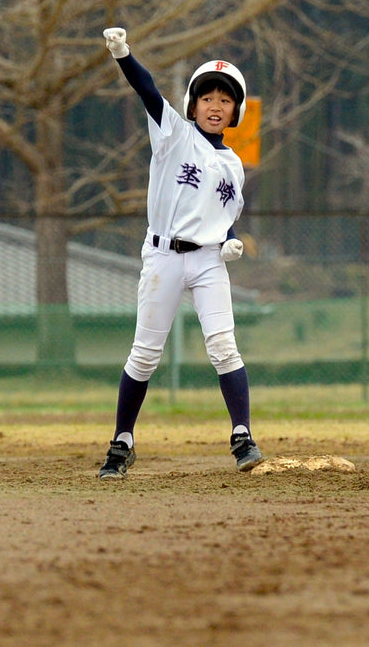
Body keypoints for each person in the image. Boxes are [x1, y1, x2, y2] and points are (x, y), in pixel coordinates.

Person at [97, 26, 264, 479]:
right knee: (145, 354)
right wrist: (124, 55)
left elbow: (224, 211)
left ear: (236, 112)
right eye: (207, 97)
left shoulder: (232, 164)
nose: (215, 105)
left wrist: (229, 237)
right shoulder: (172, 133)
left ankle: (242, 436)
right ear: (193, 105)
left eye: (225, 100)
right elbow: (147, 90)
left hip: (208, 260)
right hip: (164, 256)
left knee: (225, 347)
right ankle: (122, 441)